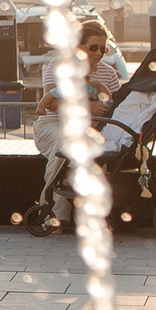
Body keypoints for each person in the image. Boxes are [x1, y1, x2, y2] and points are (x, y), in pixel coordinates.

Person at [34, 16, 123, 187]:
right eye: (93, 47)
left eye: (103, 49)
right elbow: (51, 103)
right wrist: (89, 107)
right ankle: (53, 208)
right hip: (53, 123)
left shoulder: (109, 73)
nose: (98, 53)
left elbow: (115, 107)